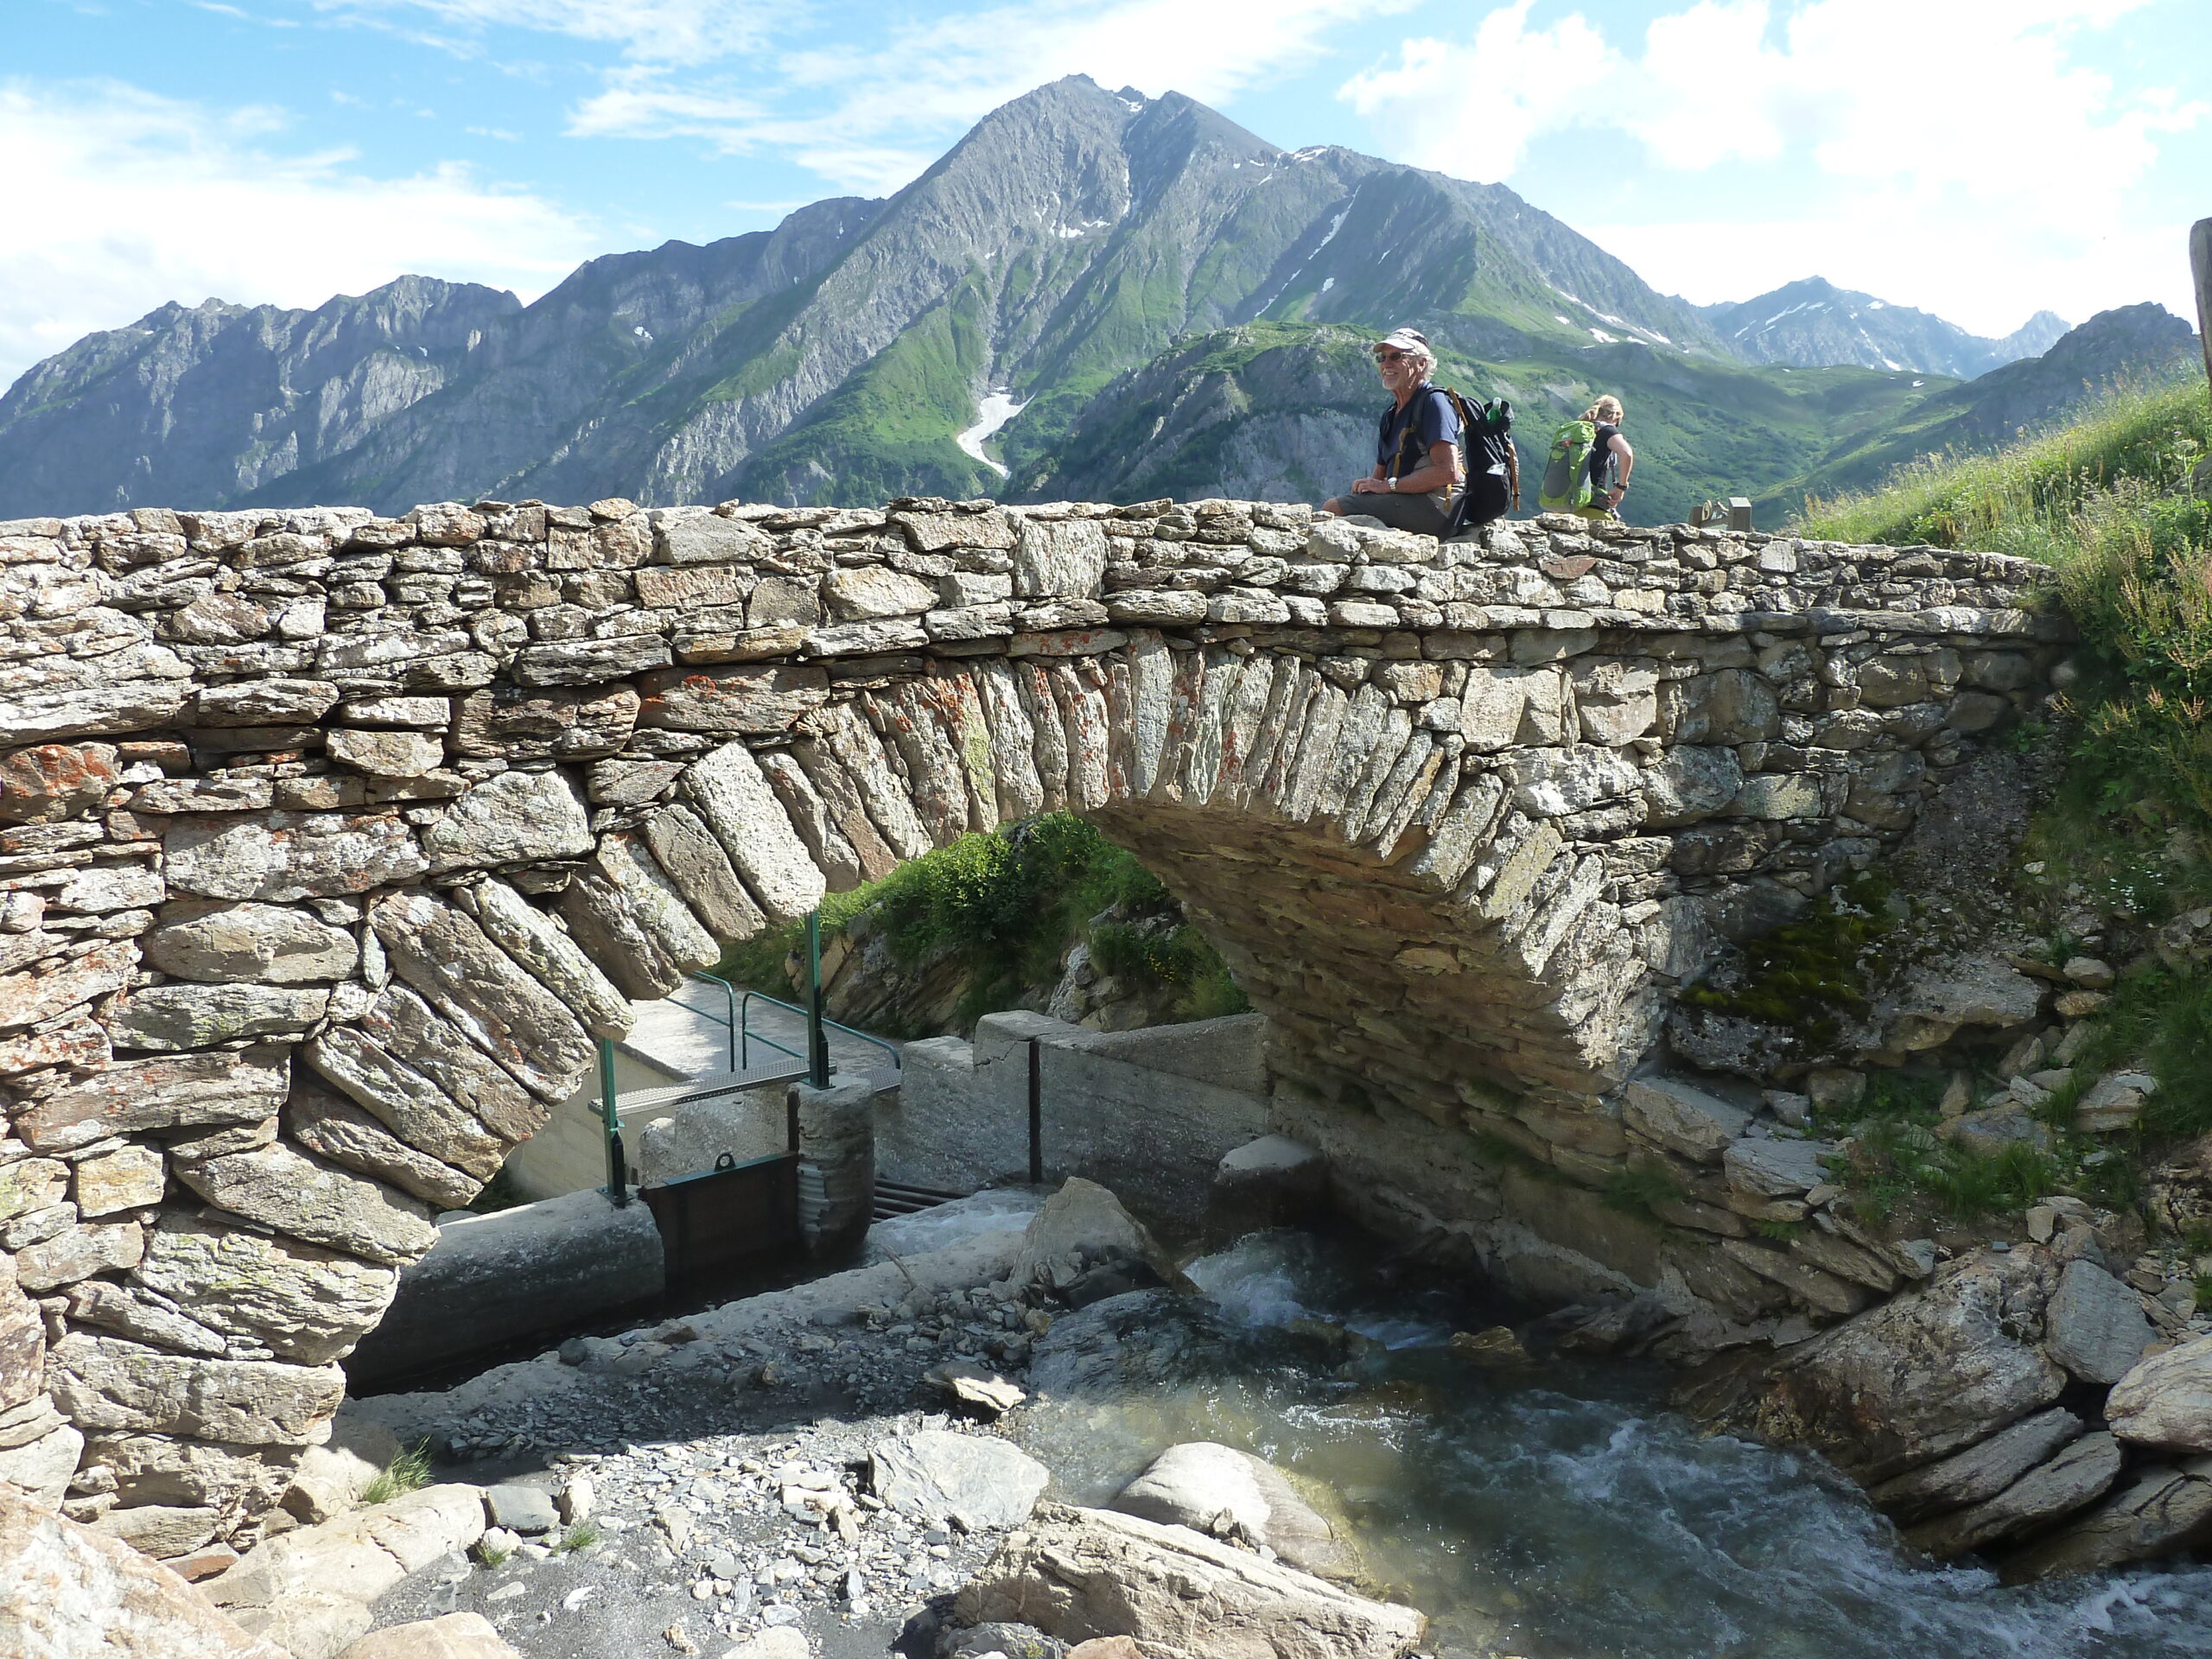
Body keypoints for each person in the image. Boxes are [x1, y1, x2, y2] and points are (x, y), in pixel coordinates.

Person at [1320, 328, 1461, 535]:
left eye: (1396, 356)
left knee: (1334, 508)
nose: (1386, 364)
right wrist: (1368, 487)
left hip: (1438, 507)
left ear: (1421, 364)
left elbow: (1448, 472)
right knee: (1346, 507)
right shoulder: (1391, 415)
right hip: (1408, 499)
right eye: (1382, 357)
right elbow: (1379, 478)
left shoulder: (1433, 402)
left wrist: (1389, 487)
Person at [1580, 395, 1633, 520]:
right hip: (1591, 504)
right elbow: (1627, 454)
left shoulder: (1579, 428)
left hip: (1564, 503)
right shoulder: (1607, 430)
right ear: (1616, 417)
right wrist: (1621, 487)